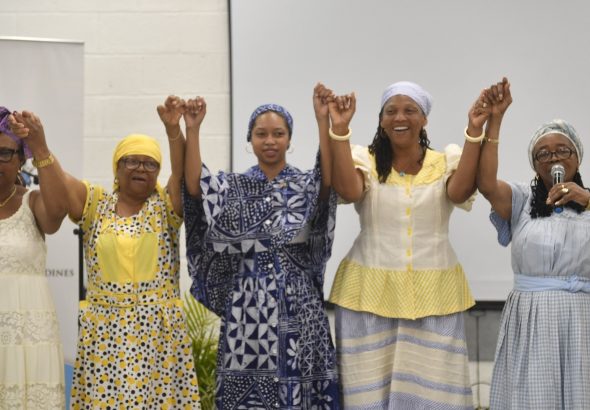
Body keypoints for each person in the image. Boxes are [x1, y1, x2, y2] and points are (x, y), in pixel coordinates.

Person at [10, 96, 202, 409]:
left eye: (150, 163)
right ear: (117, 166)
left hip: (159, 339)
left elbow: (180, 175)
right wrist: (40, 146)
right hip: (106, 336)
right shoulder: (95, 203)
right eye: (131, 161)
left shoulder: (165, 207)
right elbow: (61, 183)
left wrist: (173, 130)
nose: (141, 168)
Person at [327, 81, 494, 409]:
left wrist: (475, 130)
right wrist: (341, 130)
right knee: (368, 396)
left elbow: (459, 193)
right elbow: (348, 191)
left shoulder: (445, 161)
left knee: (434, 395)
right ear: (381, 120)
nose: (399, 117)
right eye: (391, 111)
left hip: (436, 297)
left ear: (424, 119)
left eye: (409, 110)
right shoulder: (365, 160)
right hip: (367, 296)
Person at [183, 84, 341, 409]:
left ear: (289, 139)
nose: (270, 141)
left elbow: (326, 183)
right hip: (247, 306)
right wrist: (193, 130)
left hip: (299, 306)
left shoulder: (303, 184)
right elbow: (197, 188)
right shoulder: (234, 187)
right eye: (261, 134)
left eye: (278, 134)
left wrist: (322, 120)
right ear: (250, 139)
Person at [477, 79, 590, 409]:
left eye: (562, 150)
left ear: (577, 157)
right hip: (532, 318)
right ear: (534, 163)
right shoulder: (522, 200)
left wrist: (587, 199)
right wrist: (495, 120)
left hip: (582, 319)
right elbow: (485, 184)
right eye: (543, 153)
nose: (553, 157)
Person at [1, 107, 68, 408]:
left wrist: (40, 147)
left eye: (5, 153)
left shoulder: (33, 202)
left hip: (29, 345)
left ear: (20, 160)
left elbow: (57, 215)